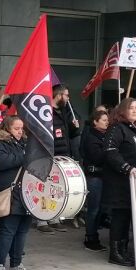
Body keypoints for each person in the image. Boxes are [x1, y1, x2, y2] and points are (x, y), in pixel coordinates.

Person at [0, 115, 33, 270]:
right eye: (16, 128)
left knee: (22, 231)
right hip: (10, 192)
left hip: (26, 192)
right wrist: (25, 157)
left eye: (21, 128)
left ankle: (16, 264)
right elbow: (1, 162)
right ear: (7, 128)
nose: (20, 131)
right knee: (7, 230)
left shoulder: (25, 143)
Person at [103, 98, 136, 267]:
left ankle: (124, 250)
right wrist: (126, 167)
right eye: (131, 108)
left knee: (128, 216)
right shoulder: (116, 128)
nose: (134, 111)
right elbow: (110, 151)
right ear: (123, 111)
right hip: (119, 181)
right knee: (120, 217)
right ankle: (115, 253)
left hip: (133, 182)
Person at [44, 84, 81, 232]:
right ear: (59, 95)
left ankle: (55, 217)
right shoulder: (47, 110)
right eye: (66, 95)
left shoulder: (65, 111)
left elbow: (70, 134)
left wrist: (74, 127)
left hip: (63, 154)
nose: (68, 98)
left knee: (58, 187)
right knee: (46, 186)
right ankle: (42, 219)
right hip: (50, 153)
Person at [79, 107, 110, 252]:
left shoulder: (106, 136)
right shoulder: (91, 136)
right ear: (95, 122)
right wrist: (110, 150)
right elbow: (97, 157)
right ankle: (90, 238)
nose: (107, 122)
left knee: (101, 208)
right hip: (94, 176)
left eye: (107, 120)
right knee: (93, 209)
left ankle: (94, 234)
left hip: (103, 176)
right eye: (104, 120)